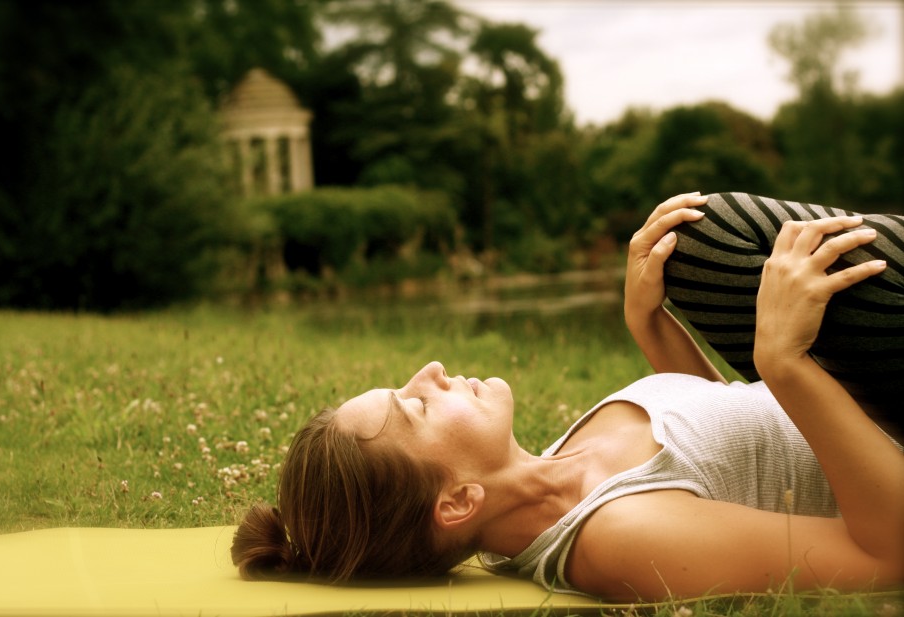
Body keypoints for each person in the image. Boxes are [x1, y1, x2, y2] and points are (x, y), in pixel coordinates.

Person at [231, 192, 904, 601]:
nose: (430, 370)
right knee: (718, 233)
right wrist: (782, 363)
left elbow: (739, 453)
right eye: (416, 406)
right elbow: (887, 554)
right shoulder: (617, 540)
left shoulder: (552, 465)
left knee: (698, 244)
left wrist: (651, 324)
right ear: (459, 500)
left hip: (869, 385)